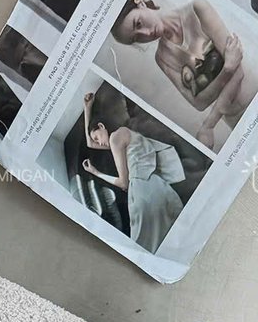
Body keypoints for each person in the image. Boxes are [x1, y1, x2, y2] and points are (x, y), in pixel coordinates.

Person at [109, 0, 257, 148]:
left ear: (140, 3)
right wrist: (227, 70)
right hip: (237, 122)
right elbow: (199, 102)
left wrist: (209, 125)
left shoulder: (198, 9)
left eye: (138, 23)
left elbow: (238, 71)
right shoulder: (162, 58)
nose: (146, 34)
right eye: (136, 38)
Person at [80, 87, 186, 252]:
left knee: (145, 248)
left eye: (97, 137)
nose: (98, 143)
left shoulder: (115, 139)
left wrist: (96, 173)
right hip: (159, 186)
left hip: (142, 192)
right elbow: (90, 143)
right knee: (177, 235)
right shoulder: (125, 134)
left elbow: (123, 183)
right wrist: (88, 108)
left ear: (101, 126)